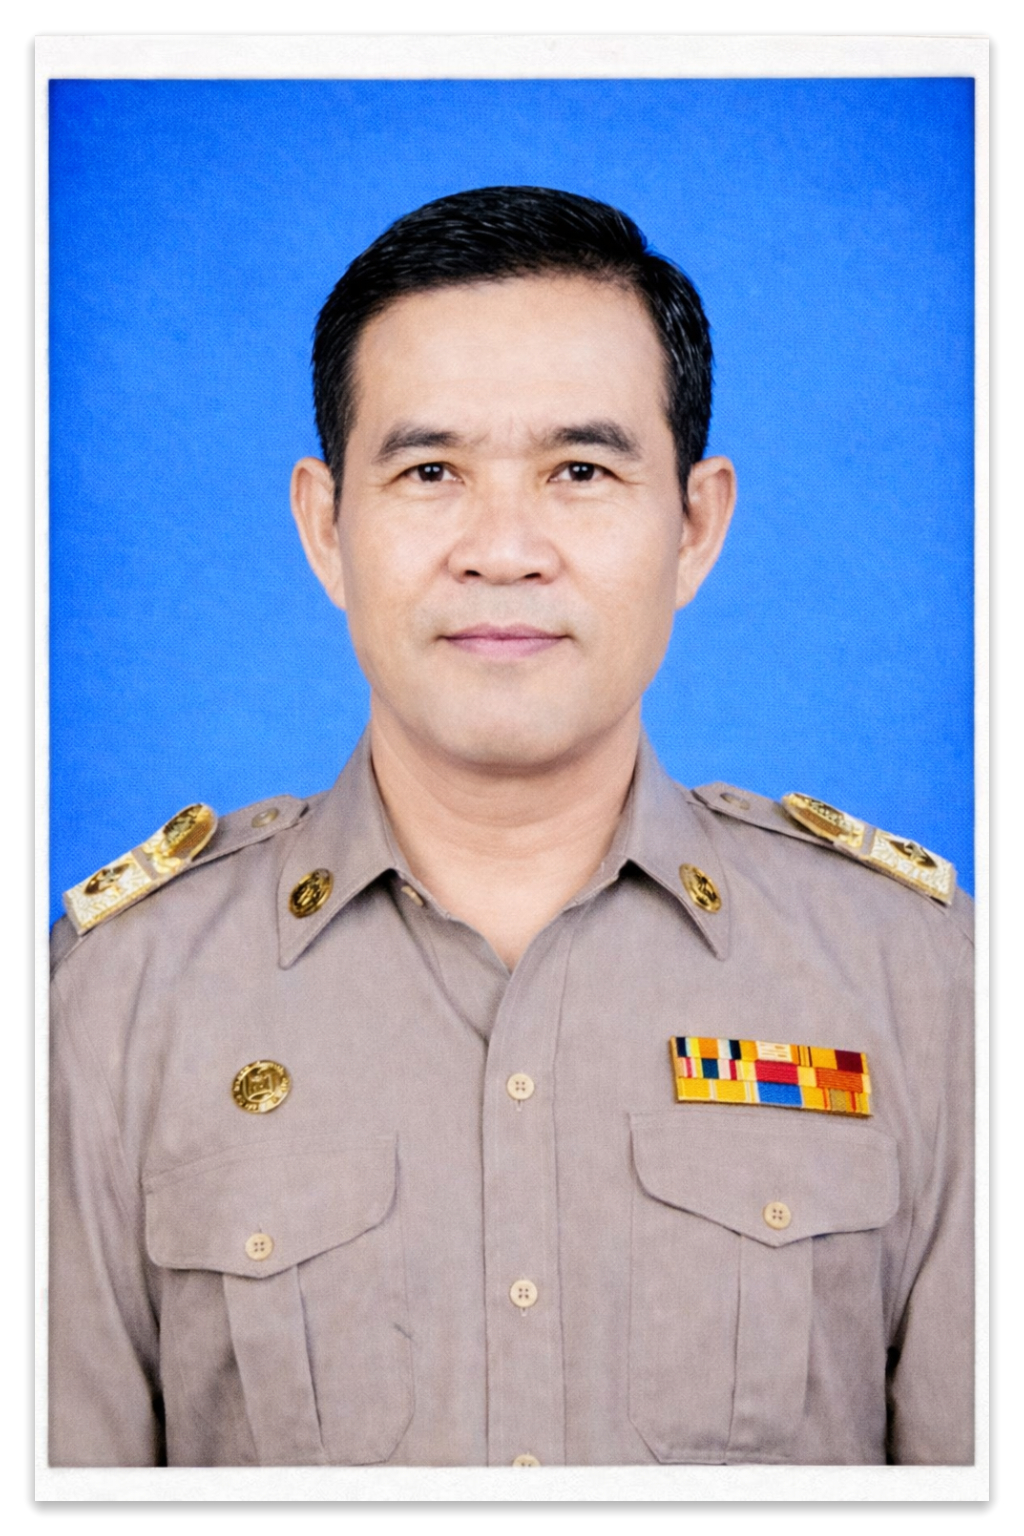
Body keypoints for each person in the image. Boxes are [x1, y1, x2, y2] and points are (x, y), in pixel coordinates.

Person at [49, 186, 973, 1468]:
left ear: (694, 526)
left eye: (579, 471)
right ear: (325, 527)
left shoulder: (922, 982)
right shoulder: (110, 1003)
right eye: (430, 472)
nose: (502, 549)